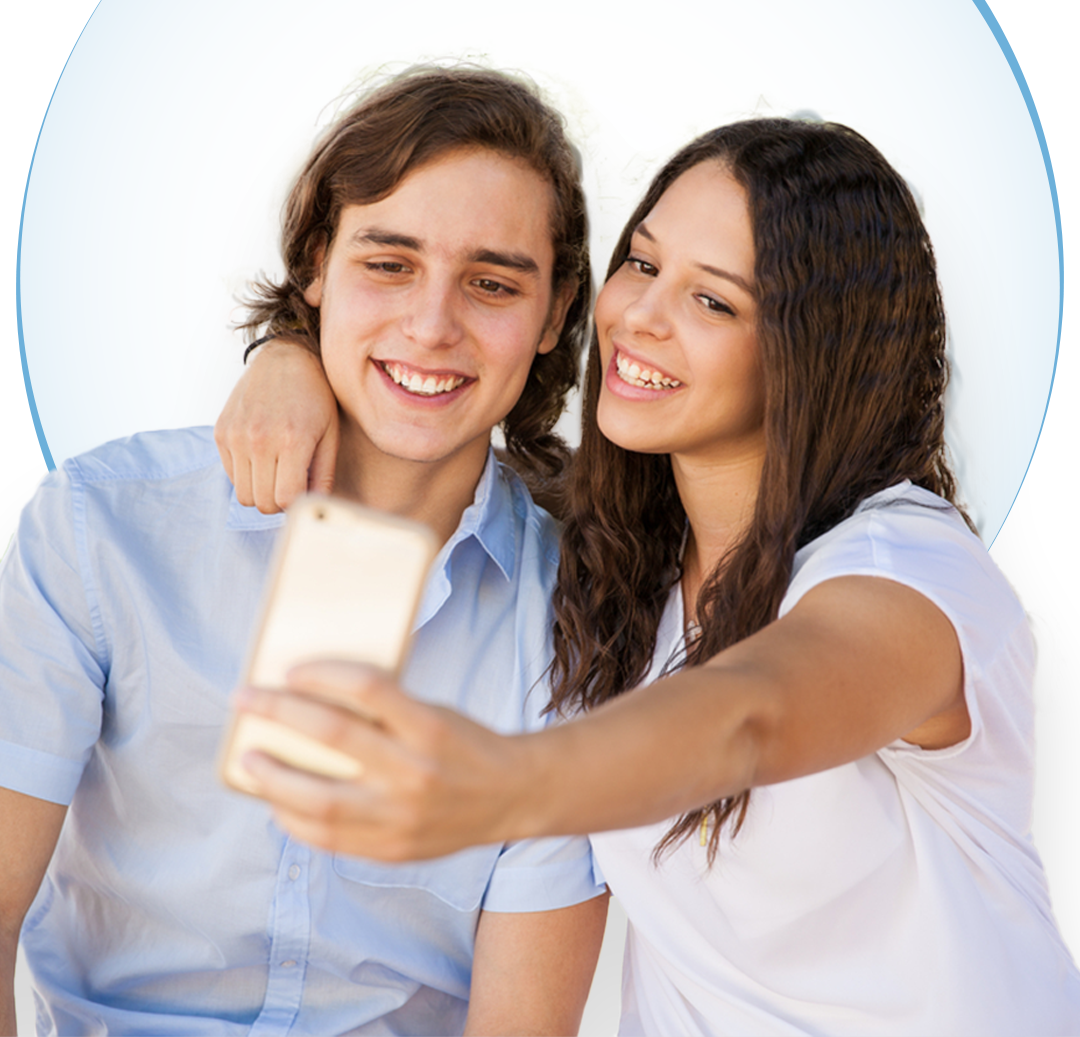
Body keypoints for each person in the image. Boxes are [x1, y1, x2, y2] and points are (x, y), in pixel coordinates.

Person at [227, 115, 1080, 1035]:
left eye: (713, 301)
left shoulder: (909, 570)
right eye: (641, 263)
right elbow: (419, 416)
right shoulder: (615, 557)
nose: (639, 316)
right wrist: (285, 354)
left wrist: (508, 784)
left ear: (813, 352)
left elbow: (754, 714)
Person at [0, 58, 610, 1037]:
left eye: (493, 283)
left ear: (557, 315)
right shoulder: (101, 528)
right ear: (316, 264)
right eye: (389, 263)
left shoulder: (574, 628)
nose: (431, 323)